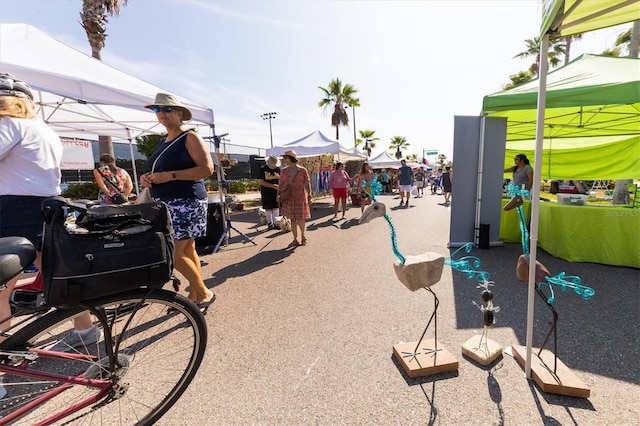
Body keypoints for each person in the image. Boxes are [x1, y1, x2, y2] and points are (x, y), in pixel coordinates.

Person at [0, 74, 100, 394]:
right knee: (59, 277)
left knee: (2, 291)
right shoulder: (46, 130)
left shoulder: (8, 124)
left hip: (10, 210)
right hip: (48, 207)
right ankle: (86, 332)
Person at [141, 93, 215, 308]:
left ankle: (202, 292)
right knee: (188, 249)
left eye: (166, 109)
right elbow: (156, 169)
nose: (161, 113)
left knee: (172, 250)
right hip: (169, 202)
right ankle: (195, 294)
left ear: (179, 113)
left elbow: (206, 169)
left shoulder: (189, 137)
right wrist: (145, 177)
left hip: (186, 201)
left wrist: (170, 176)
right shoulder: (163, 141)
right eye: (157, 110)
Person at [277, 149, 311, 248]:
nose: (284, 159)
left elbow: (307, 183)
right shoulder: (284, 171)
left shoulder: (302, 170)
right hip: (289, 197)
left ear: (290, 158)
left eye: (286, 157)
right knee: (292, 219)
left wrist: (309, 195)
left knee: (300, 218)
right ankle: (295, 239)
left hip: (300, 196)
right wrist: (278, 194)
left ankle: (303, 235)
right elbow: (281, 184)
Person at [257, 155, 280, 229]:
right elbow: (261, 181)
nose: (274, 167)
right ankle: (270, 223)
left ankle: (276, 222)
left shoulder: (278, 169)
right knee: (268, 207)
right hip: (266, 191)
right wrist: (272, 186)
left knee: (276, 207)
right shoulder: (263, 169)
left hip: (276, 191)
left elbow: (281, 179)